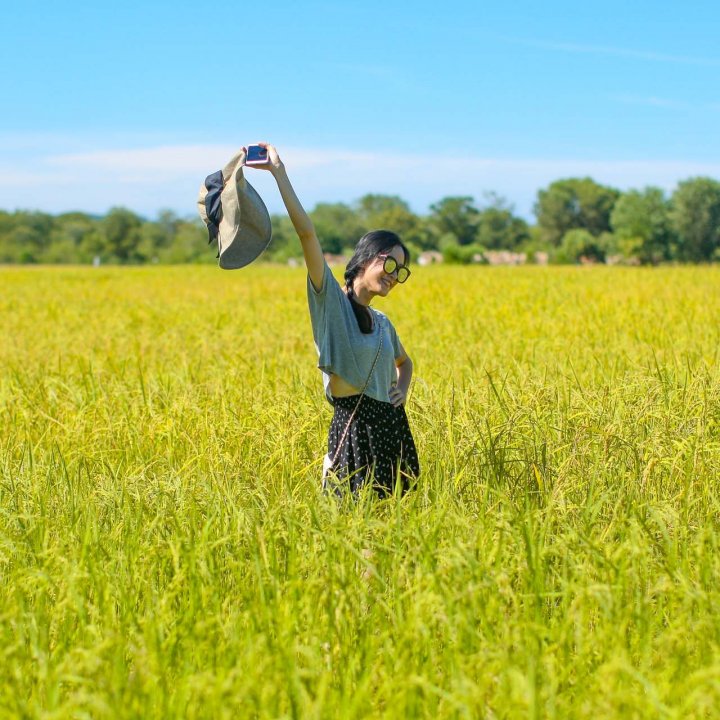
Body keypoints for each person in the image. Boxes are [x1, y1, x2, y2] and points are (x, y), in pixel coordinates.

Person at [245, 142, 420, 497]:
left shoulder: (383, 321)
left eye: (400, 271)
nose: (393, 275)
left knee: (394, 527)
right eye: (389, 264)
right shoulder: (331, 303)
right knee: (353, 528)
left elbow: (406, 362)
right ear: (367, 257)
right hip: (353, 429)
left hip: (392, 428)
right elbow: (307, 234)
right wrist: (280, 174)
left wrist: (401, 390)